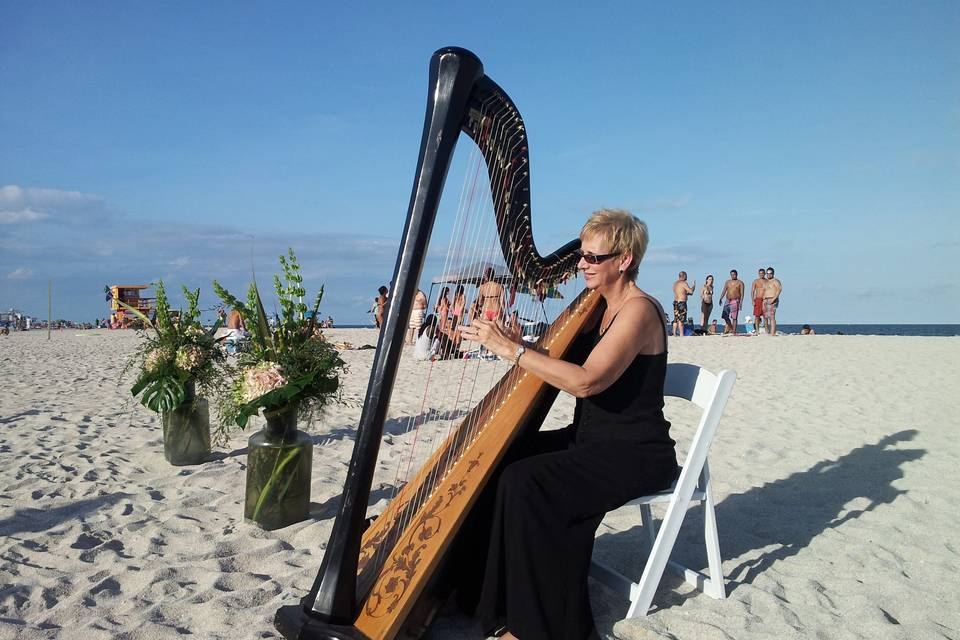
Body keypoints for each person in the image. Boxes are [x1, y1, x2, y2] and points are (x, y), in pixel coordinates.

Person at [460, 208, 679, 640]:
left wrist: (511, 352)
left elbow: (586, 382)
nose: (582, 264)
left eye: (593, 258)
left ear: (625, 260)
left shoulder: (638, 312)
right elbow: (566, 363)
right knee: (503, 458)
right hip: (590, 439)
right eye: (582, 256)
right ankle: (485, 596)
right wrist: (521, 342)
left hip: (633, 451)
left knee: (527, 481)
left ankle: (531, 627)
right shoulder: (599, 308)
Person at [718, 269, 744, 335]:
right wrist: (721, 298)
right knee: (725, 316)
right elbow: (724, 290)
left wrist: (741, 303)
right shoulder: (727, 282)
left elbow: (742, 293)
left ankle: (734, 332)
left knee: (734, 317)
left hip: (735, 300)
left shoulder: (740, 282)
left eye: (734, 275)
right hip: (727, 300)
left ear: (736, 274)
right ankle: (731, 328)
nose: (733, 276)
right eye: (731, 275)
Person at [671, 271, 694, 337]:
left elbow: (682, 293)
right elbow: (691, 291)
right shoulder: (684, 283)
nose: (687, 277)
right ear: (683, 276)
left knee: (675, 319)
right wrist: (693, 287)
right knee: (681, 319)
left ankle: (674, 333)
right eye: (686, 276)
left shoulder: (675, 284)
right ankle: (681, 334)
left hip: (675, 302)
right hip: (682, 303)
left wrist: (688, 293)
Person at [763, 267, 782, 336]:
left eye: (770, 273)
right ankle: (769, 331)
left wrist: (774, 299)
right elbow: (765, 291)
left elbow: (779, 290)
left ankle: (772, 333)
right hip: (766, 300)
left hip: (772, 299)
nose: (769, 275)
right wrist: (764, 300)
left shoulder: (775, 281)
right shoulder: (766, 282)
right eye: (767, 273)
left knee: (772, 316)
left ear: (773, 273)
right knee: (766, 316)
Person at [750, 268, 765, 335]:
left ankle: (767, 330)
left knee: (765, 316)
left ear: (764, 274)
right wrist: (752, 300)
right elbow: (752, 291)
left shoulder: (767, 281)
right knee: (757, 316)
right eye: (760, 273)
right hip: (758, 299)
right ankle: (757, 330)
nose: (761, 274)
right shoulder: (755, 281)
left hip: (765, 300)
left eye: (762, 273)